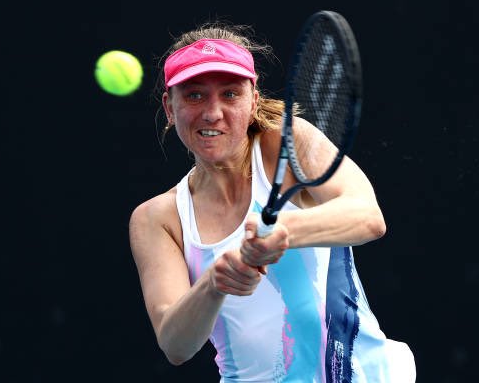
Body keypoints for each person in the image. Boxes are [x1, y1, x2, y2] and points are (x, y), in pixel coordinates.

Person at [129, 22, 416, 382]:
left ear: (253, 100)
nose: (213, 112)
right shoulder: (157, 218)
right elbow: (175, 345)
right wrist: (214, 283)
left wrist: (284, 230)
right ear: (170, 108)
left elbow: (368, 217)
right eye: (194, 95)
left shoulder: (288, 142)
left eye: (230, 94)